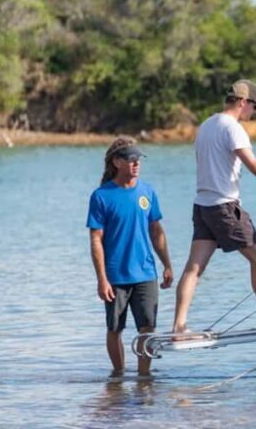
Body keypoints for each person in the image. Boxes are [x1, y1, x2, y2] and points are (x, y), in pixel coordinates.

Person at [172, 79, 256, 335]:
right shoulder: (232, 128)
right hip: (224, 207)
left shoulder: (206, 125)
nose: (254, 113)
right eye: (254, 107)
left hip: (202, 205)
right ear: (243, 102)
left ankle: (179, 327)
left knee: (194, 268)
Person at [87, 137, 173, 377]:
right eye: (130, 159)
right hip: (116, 276)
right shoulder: (101, 196)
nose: (136, 163)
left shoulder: (147, 192)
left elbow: (156, 231)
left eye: (138, 159)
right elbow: (96, 239)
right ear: (117, 162)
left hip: (145, 273)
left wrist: (167, 264)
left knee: (148, 327)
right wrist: (101, 278)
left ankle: (144, 377)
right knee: (115, 328)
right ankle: (119, 376)